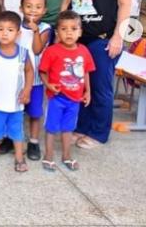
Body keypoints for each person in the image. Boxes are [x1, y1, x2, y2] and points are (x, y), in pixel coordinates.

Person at [61, 0, 136, 148]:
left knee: (101, 88)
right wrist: (60, 32)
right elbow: (66, 3)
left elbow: (125, 4)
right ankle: (82, 127)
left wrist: (118, 37)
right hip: (77, 39)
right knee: (81, 85)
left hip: (103, 38)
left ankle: (98, 133)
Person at [39, 11, 95, 171]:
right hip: (56, 98)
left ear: (80, 32)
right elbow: (42, 71)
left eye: (73, 28)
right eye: (64, 29)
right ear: (57, 32)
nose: (69, 32)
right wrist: (48, 85)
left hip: (75, 100)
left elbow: (86, 72)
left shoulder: (84, 51)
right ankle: (48, 155)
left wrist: (88, 92)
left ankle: (66, 155)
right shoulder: (52, 51)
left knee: (68, 128)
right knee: (51, 128)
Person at [0, 11, 33, 172]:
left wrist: (27, 90)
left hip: (16, 104)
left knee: (17, 132)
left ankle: (19, 157)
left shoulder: (23, 53)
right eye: (0, 29)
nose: (4, 33)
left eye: (10, 30)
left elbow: (30, 72)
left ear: (18, 34)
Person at [17, 0, 51, 160]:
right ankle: (12, 139)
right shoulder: (15, 26)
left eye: (38, 7)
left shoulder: (45, 28)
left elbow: (37, 50)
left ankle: (34, 142)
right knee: (15, 111)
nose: (33, 10)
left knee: (35, 113)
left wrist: (35, 31)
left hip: (36, 80)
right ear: (21, 8)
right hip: (16, 79)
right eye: (28, 6)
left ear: (44, 10)